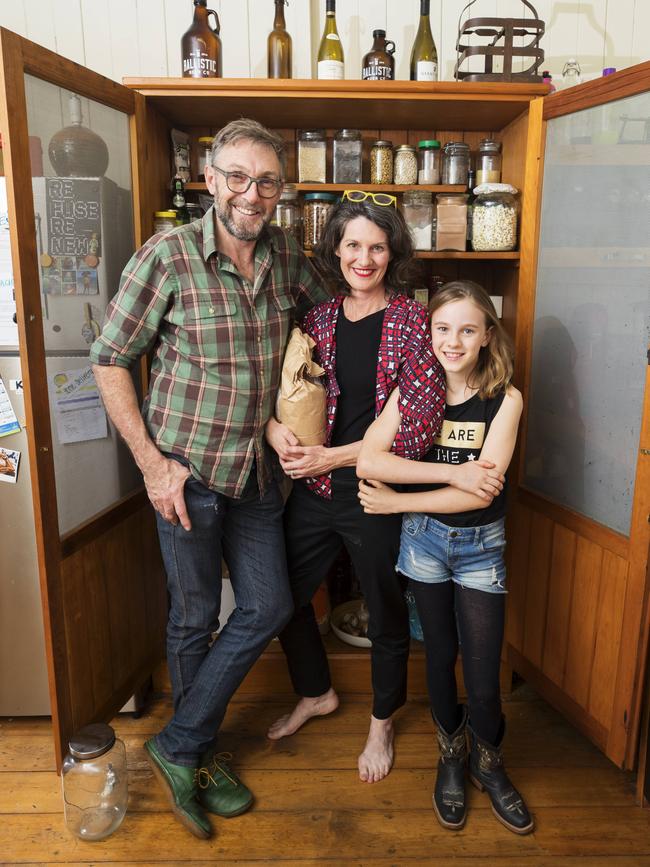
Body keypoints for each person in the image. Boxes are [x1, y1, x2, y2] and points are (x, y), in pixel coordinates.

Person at [89, 119, 330, 839]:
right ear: (209, 177)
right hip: (186, 475)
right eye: (237, 176)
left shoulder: (287, 254)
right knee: (194, 618)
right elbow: (108, 358)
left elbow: (335, 310)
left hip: (257, 473)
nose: (250, 194)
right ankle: (198, 759)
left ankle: (179, 742)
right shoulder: (166, 256)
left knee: (268, 604)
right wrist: (152, 464)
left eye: (266, 182)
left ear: (280, 191)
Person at [264, 197, 505, 784]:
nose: (363, 258)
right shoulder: (316, 319)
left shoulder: (412, 323)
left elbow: (418, 426)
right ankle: (316, 691)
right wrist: (277, 435)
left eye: (376, 246)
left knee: (385, 613)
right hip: (315, 486)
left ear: (392, 252)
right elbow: (281, 392)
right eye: (352, 246)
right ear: (337, 251)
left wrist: (336, 455)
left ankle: (382, 719)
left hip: (375, 489)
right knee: (276, 599)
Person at [356, 280, 533, 833]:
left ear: (486, 337)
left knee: (481, 678)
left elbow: (483, 492)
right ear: (428, 332)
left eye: (467, 330)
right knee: (437, 660)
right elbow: (369, 459)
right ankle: (452, 757)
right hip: (425, 545)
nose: (452, 341)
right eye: (442, 328)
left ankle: (490, 762)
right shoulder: (414, 392)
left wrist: (396, 504)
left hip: (480, 550)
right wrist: (451, 471)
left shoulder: (505, 398)